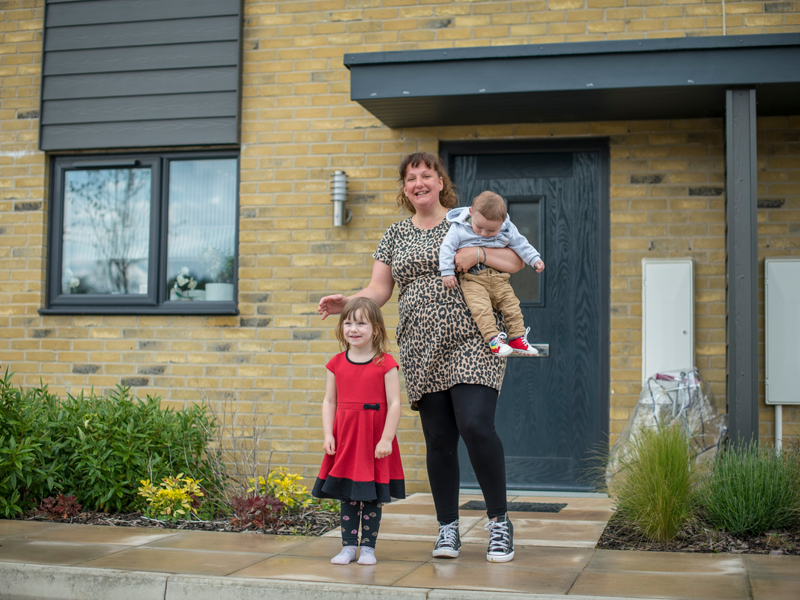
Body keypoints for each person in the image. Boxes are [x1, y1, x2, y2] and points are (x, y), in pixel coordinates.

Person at [318, 151, 523, 563]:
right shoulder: (395, 234)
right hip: (420, 345)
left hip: (473, 339)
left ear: (440, 181)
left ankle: (498, 523)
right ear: (405, 187)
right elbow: (379, 289)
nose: (418, 183)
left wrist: (479, 254)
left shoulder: (468, 219)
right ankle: (448, 528)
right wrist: (348, 302)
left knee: (476, 425)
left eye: (426, 175)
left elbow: (515, 259)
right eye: (410, 178)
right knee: (439, 439)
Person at [311, 297, 405, 566]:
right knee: (347, 494)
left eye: (361, 323)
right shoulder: (336, 363)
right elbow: (330, 401)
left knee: (371, 496)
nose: (353, 328)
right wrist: (328, 434)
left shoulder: (385, 364)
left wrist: (387, 438)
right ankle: (348, 546)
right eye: (348, 322)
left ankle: (368, 548)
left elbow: (396, 403)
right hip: (347, 440)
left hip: (375, 440)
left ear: (375, 328)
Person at [439, 190, 545, 357]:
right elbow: (447, 248)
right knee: (481, 309)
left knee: (512, 305)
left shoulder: (507, 228)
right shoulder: (459, 228)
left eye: (490, 231)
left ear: (502, 222)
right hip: (473, 278)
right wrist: (446, 272)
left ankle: (517, 338)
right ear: (471, 213)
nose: (483, 233)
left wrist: (534, 259)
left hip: (499, 278)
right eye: (479, 227)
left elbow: (521, 244)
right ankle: (494, 340)